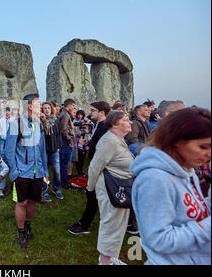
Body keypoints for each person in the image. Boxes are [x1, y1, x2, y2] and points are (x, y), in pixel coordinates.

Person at [131, 107, 211, 265]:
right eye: (203, 147)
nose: (210, 154)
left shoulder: (187, 170)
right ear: (176, 142)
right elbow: (159, 240)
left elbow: (196, 212)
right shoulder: (155, 179)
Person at [87, 111, 134, 265]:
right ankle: (105, 261)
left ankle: (109, 257)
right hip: (110, 187)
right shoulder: (110, 141)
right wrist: (90, 189)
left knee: (118, 225)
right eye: (126, 120)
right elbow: (95, 166)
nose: (130, 122)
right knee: (111, 224)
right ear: (115, 124)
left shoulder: (119, 139)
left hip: (120, 185)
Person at [4, 93, 49, 249]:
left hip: (38, 172)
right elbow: (8, 151)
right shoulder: (16, 124)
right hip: (22, 172)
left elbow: (42, 150)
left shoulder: (39, 124)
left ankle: (28, 224)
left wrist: (45, 171)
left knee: (32, 201)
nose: (41, 106)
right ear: (30, 106)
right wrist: (15, 172)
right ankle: (21, 231)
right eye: (38, 103)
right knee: (22, 202)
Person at [67, 101, 111, 235]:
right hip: (96, 166)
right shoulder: (99, 125)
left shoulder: (105, 128)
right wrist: (89, 142)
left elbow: (103, 150)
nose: (90, 113)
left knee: (93, 196)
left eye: (93, 111)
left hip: (100, 168)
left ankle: (84, 225)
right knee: (95, 197)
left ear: (102, 113)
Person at [40, 102, 62, 202]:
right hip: (44, 149)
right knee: (45, 172)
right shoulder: (40, 121)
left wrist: (59, 146)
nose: (47, 110)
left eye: (49, 108)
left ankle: (56, 188)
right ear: (42, 110)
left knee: (57, 171)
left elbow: (58, 134)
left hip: (54, 149)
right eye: (45, 108)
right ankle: (44, 191)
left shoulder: (55, 120)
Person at [58, 99, 76, 190]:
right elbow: (63, 130)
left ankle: (62, 181)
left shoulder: (63, 113)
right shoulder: (65, 115)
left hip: (64, 141)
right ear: (68, 105)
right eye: (72, 105)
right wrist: (70, 140)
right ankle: (64, 183)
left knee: (64, 163)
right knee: (65, 163)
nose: (73, 107)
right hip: (65, 142)